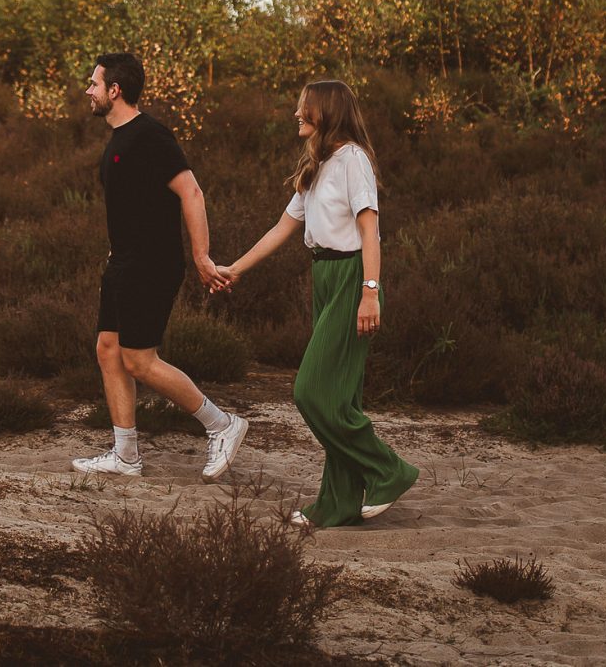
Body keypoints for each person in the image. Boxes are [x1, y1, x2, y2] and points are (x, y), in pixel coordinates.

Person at [212, 80, 419, 528]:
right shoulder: (317, 166)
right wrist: (235, 269)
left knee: (310, 391)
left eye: (304, 108)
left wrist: (369, 292)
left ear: (326, 112)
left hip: (351, 277)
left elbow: (370, 232)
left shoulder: (353, 161)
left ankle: (388, 470)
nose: (296, 114)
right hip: (324, 276)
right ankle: (339, 502)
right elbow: (281, 229)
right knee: (340, 399)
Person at [71, 51, 249, 482]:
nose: (88, 91)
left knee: (139, 359)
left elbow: (191, 192)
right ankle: (126, 455)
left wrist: (202, 257)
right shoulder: (118, 140)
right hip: (123, 264)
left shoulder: (149, 134)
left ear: (115, 90)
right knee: (108, 350)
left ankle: (222, 425)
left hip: (151, 265)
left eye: (94, 84)